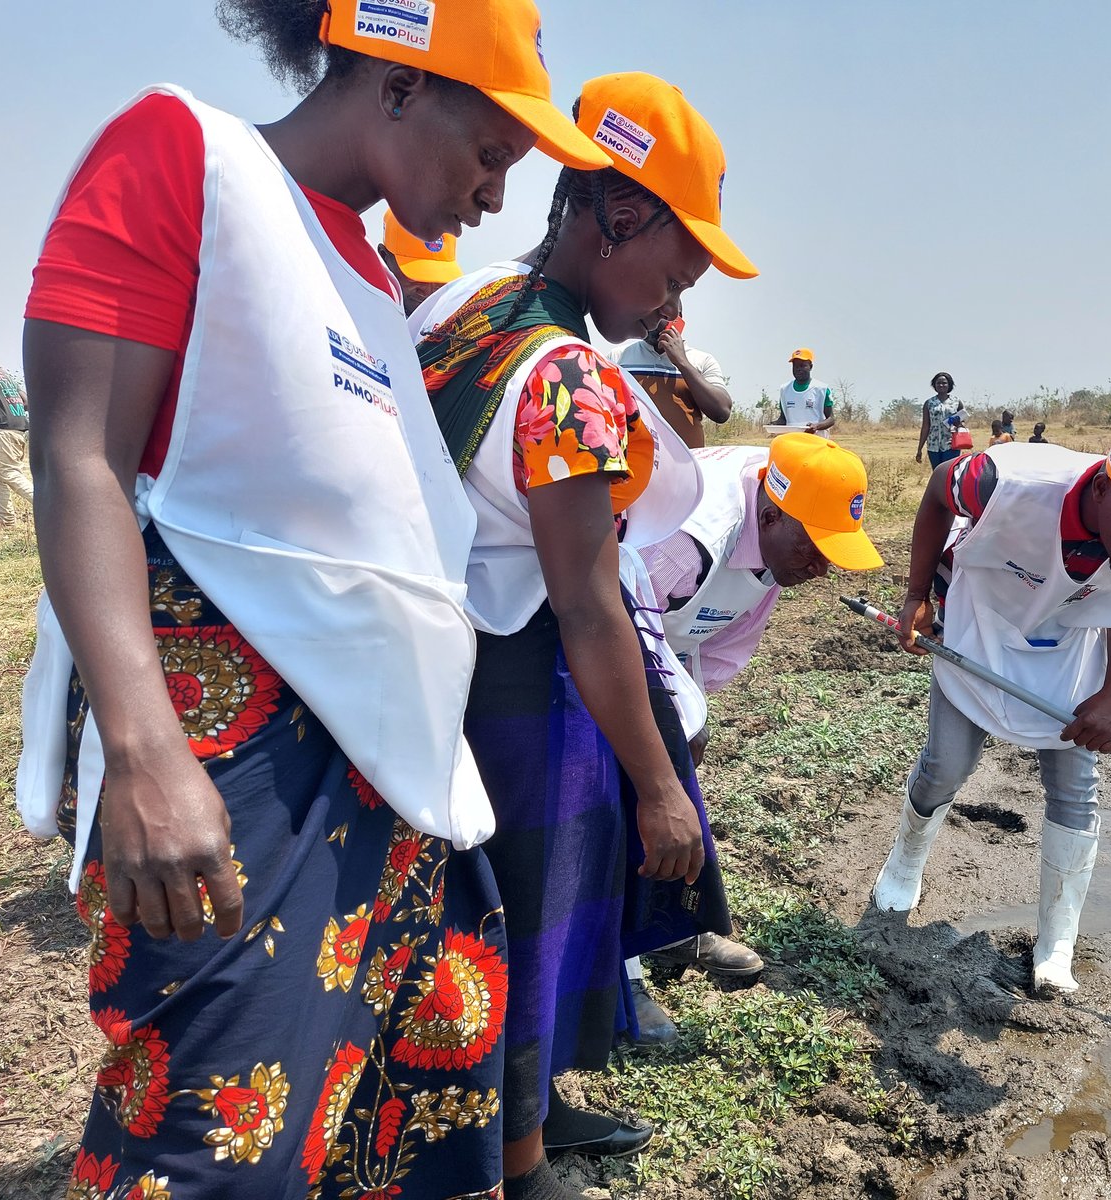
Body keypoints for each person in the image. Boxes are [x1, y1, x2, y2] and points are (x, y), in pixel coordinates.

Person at [15, 2, 609, 1197]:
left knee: (387, 1107)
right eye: (491, 153)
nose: (497, 199)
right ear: (396, 83)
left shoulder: (374, 280)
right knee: (220, 1137)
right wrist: (142, 753)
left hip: (385, 779)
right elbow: (80, 458)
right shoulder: (190, 161)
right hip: (235, 772)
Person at [413, 72, 756, 1195]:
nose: (669, 305)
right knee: (530, 919)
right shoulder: (569, 380)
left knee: (466, 914)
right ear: (617, 215)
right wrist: (660, 787)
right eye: (677, 271)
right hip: (521, 684)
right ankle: (518, 1167)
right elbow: (589, 600)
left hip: (436, 656)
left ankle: (510, 1130)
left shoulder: (463, 305)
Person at [877, 415, 1111, 995]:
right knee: (946, 767)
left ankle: (1056, 941)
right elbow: (938, 489)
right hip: (980, 622)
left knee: (1076, 786)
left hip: (1067, 644)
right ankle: (905, 860)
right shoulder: (1003, 483)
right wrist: (915, 595)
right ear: (1106, 486)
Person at [627, 432, 884, 1040]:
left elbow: (725, 641)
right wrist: (658, 751)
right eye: (816, 547)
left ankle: (670, 931)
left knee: (677, 785)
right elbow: (612, 627)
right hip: (606, 638)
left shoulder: (777, 538)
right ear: (768, 516)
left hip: (668, 641)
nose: (822, 569)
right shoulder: (688, 541)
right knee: (628, 794)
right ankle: (622, 973)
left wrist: (692, 720)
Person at [617, 313, 734, 448]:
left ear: (676, 318)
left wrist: (681, 361)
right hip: (634, 461)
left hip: (687, 461)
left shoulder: (702, 360)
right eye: (645, 312)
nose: (649, 320)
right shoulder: (619, 357)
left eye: (657, 313)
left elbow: (721, 412)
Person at [378, 210, 464, 316]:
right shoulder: (357, 320)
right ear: (384, 258)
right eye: (416, 277)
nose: (429, 292)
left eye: (440, 281)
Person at [0, 362, 33, 526]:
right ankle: (6, 519)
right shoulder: (1, 372)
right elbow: (27, 402)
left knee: (10, 473)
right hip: (18, 425)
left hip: (4, 429)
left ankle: (53, 506)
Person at [775, 348, 836, 437]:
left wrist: (817, 426)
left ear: (811, 367)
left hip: (817, 441)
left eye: (803, 365)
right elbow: (783, 419)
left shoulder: (821, 389)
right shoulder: (785, 389)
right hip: (793, 440)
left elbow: (831, 419)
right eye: (795, 366)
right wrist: (774, 425)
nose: (799, 369)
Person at [915, 371, 963, 469]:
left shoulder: (956, 402)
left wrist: (959, 424)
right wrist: (919, 449)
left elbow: (962, 422)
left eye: (944, 383)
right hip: (933, 445)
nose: (941, 385)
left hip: (951, 444)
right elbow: (925, 426)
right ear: (934, 385)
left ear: (949, 385)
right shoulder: (929, 403)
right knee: (937, 472)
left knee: (950, 472)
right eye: (938, 383)